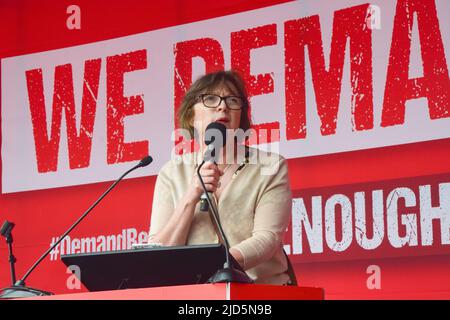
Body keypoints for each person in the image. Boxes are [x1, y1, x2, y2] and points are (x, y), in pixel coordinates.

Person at [148, 70, 296, 285]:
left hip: (260, 292)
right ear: (191, 115)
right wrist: (191, 196)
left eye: (232, 100)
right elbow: (159, 253)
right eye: (210, 99)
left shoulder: (270, 166)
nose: (222, 106)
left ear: (240, 115)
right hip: (195, 298)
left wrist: (214, 268)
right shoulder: (172, 172)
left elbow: (267, 239)